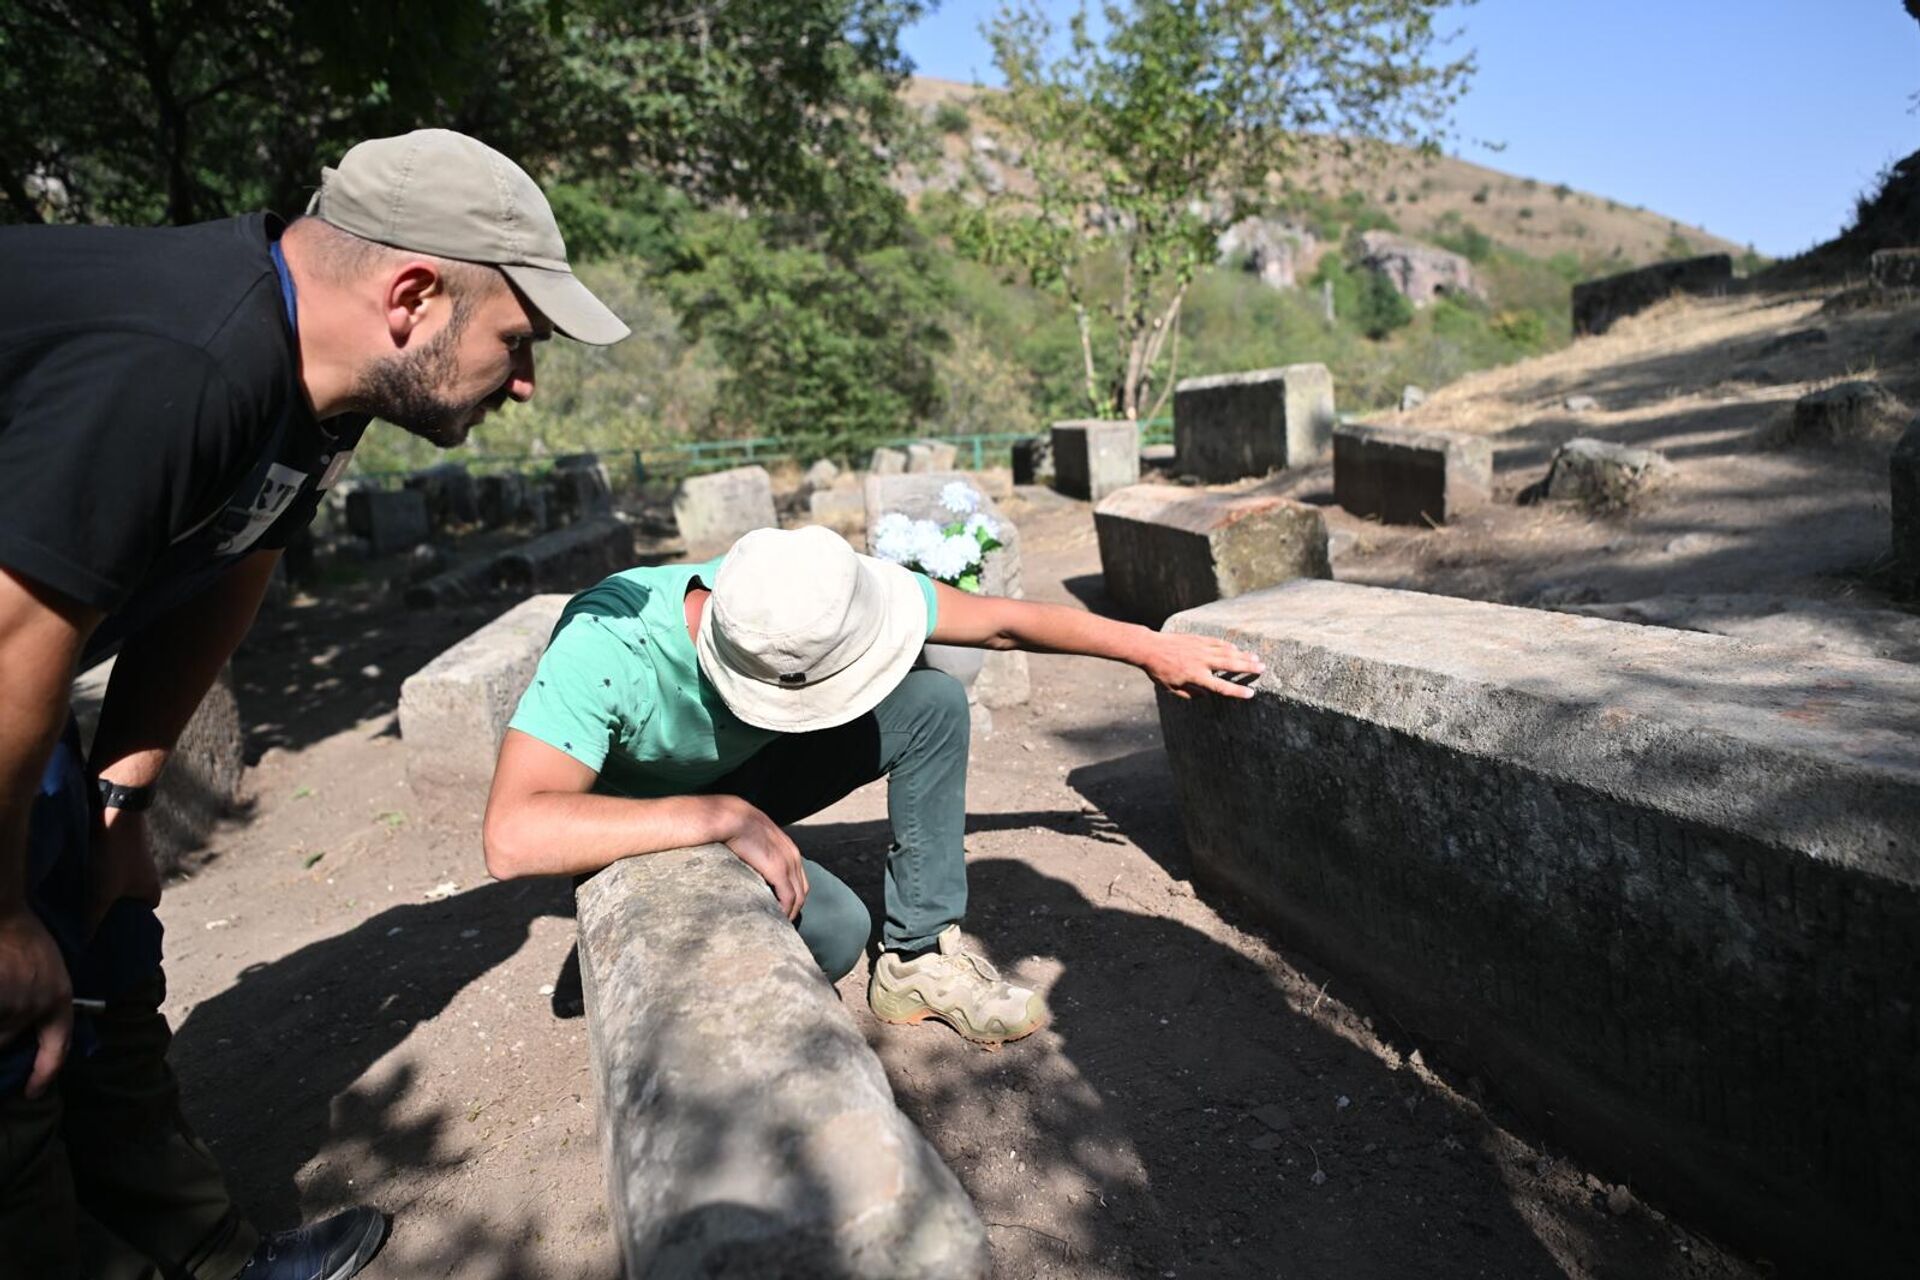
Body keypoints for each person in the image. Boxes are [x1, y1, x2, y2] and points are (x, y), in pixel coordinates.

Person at [0, 129, 628, 1280]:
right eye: (518, 339)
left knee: (103, 933)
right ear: (413, 296)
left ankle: (199, 1249)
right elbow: (9, 637)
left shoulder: (319, 397)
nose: (526, 380)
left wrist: (120, 798)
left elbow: (229, 568)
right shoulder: (185, 364)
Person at [482, 524, 1262, 1044]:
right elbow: (513, 835)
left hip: (751, 771)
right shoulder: (608, 645)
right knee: (833, 932)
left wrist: (1149, 648)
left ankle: (919, 960)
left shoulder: (812, 593)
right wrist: (717, 816)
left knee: (931, 702)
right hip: (655, 818)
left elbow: (998, 621)